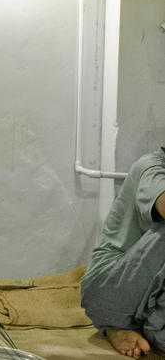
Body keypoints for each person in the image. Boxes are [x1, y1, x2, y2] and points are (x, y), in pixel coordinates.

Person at [81, 147, 165, 358]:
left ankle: (122, 327)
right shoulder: (151, 167)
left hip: (143, 296)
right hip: (108, 288)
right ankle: (126, 323)